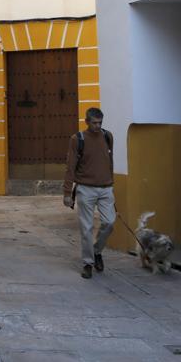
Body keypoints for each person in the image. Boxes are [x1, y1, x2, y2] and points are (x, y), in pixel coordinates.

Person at [62, 108, 115, 279]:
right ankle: (88, 263)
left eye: (100, 123)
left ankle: (97, 251)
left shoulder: (108, 136)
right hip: (86, 188)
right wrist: (67, 192)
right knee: (86, 227)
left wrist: (111, 183)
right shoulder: (78, 139)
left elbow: (109, 161)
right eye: (94, 123)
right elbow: (70, 166)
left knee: (109, 222)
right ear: (87, 122)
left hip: (106, 188)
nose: (97, 126)